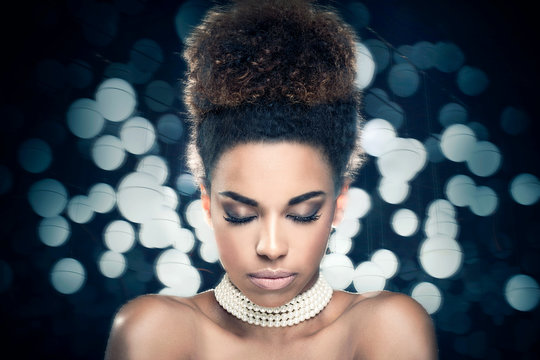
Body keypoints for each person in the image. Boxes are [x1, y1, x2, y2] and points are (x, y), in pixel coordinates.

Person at [104, 0, 438, 358]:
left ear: (340, 203)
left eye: (303, 213)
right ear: (206, 204)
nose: (271, 247)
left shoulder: (385, 325)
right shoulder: (155, 329)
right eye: (240, 214)